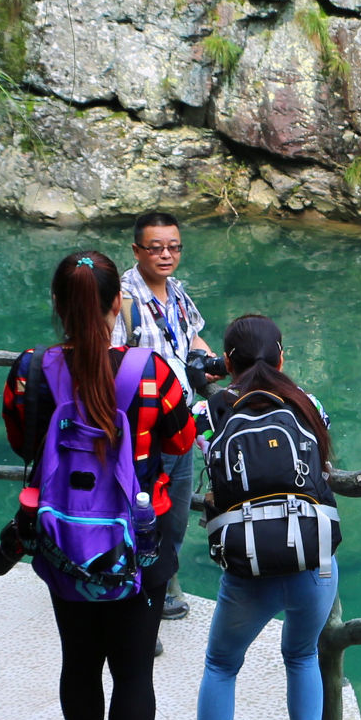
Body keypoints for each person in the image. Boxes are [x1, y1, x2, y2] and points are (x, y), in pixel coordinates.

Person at [3, 249, 198, 720]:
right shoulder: (150, 373)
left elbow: (21, 442)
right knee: (134, 671)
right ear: (119, 304)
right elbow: (183, 437)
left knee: (79, 661)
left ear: (58, 307)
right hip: (140, 541)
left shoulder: (30, 372)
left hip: (61, 539)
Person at [193, 315, 341, 720]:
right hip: (311, 557)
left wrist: (206, 376)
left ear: (226, 361)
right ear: (281, 356)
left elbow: (193, 447)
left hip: (247, 562)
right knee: (301, 656)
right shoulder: (308, 403)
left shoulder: (209, 413)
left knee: (221, 664)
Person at [120, 211, 215, 622]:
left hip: (180, 423)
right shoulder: (121, 298)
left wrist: (217, 365)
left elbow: (192, 336)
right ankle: (136, 594)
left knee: (175, 514)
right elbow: (112, 359)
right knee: (141, 512)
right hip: (141, 429)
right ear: (137, 249)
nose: (165, 255)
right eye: (156, 247)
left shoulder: (176, 292)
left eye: (173, 247)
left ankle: (162, 582)